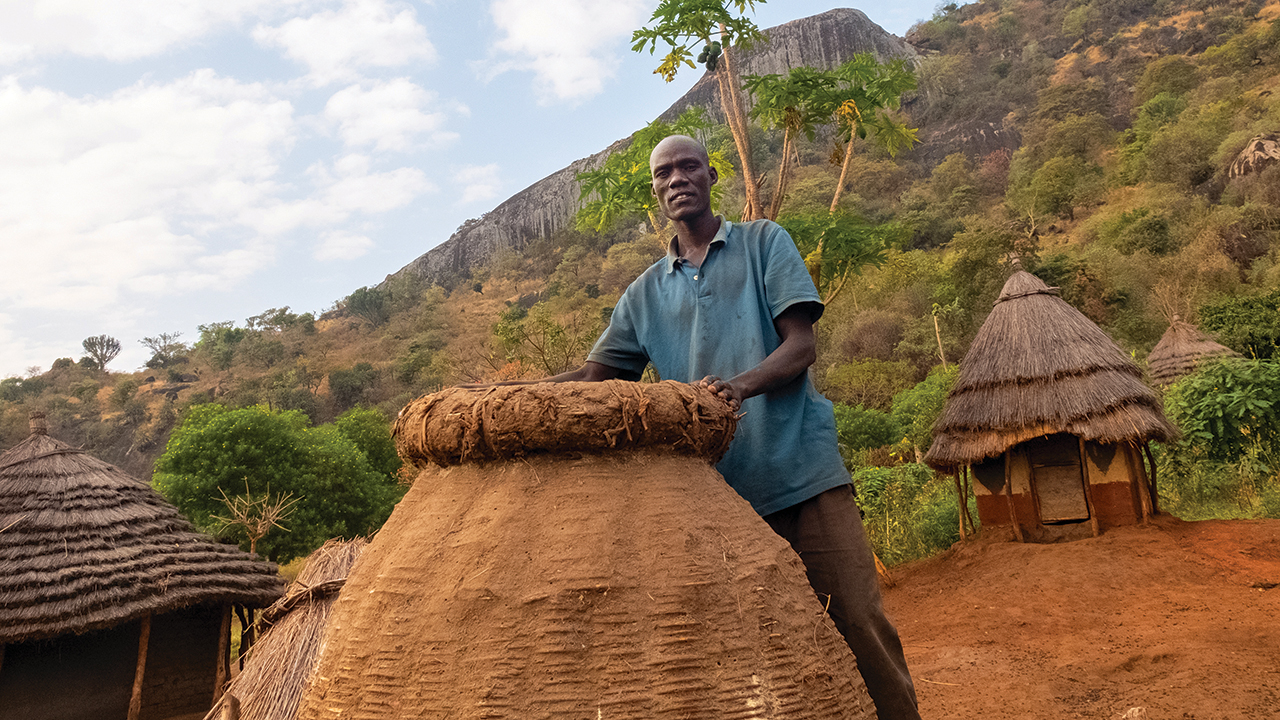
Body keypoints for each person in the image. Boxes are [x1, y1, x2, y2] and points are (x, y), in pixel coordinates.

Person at [501, 134, 920, 719]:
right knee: (746, 646)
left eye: (688, 166)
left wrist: (737, 387)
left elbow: (801, 345)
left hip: (802, 473)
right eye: (663, 173)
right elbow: (596, 376)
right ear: (654, 191)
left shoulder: (763, 242)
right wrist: (513, 394)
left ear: (710, 174)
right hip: (717, 501)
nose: (677, 179)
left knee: (856, 617)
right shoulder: (644, 293)